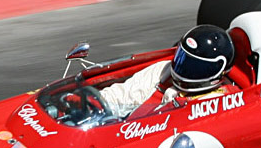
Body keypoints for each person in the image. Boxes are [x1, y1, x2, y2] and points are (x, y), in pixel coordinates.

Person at [100, 24, 235, 118]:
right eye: (182, 58)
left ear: (217, 72)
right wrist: (93, 106)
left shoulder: (219, 104)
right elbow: (121, 95)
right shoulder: (163, 71)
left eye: (195, 66)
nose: (184, 69)